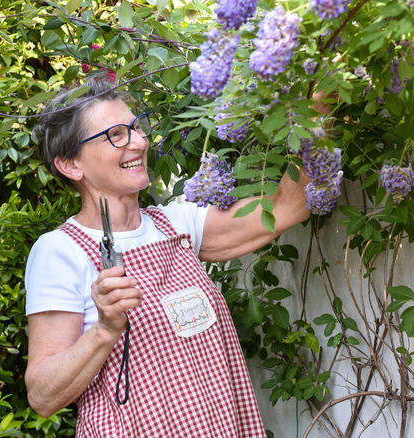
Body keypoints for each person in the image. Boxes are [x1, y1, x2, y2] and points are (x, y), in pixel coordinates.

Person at [24, 80, 314, 437]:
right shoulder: (60, 251)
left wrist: (317, 106)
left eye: (136, 127)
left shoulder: (178, 225)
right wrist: (104, 330)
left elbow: (289, 205)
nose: (139, 141)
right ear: (71, 165)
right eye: (116, 135)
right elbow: (42, 395)